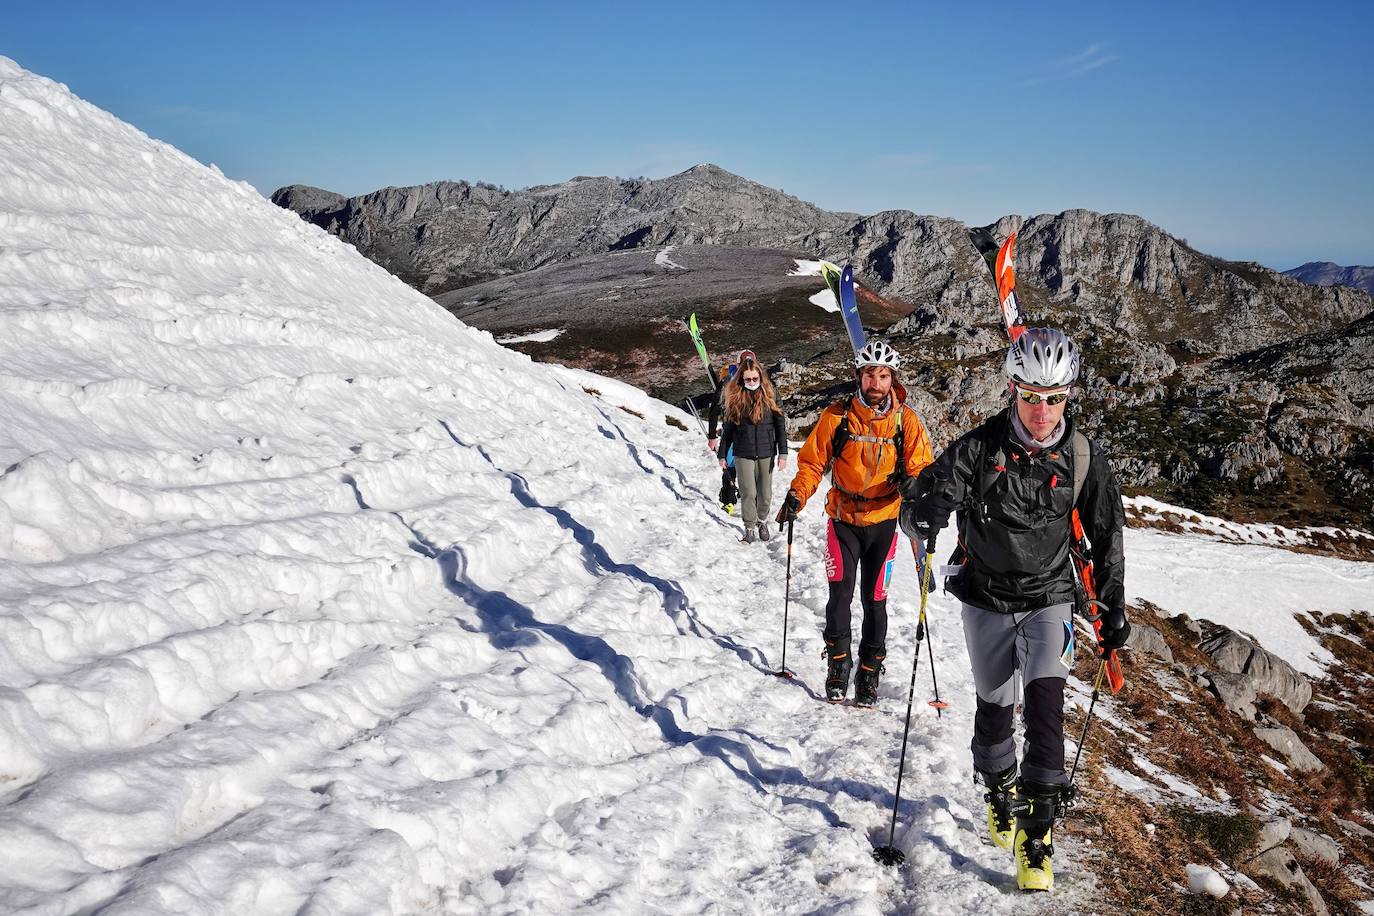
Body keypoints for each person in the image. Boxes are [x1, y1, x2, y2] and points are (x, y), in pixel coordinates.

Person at [901, 327, 1129, 892]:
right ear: (1012, 389)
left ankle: (1037, 837)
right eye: (1032, 395)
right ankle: (999, 789)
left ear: (1068, 397)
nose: (1043, 410)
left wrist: (1112, 611)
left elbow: (1107, 536)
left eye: (1054, 398)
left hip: (1050, 596)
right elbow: (927, 493)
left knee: (1047, 713)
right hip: (985, 595)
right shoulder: (980, 448)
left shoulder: (1081, 458)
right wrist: (922, 517)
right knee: (995, 711)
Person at [776, 340, 934, 707]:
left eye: (883, 375)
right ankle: (838, 664)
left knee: (875, 600)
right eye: (869, 375)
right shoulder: (838, 416)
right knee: (839, 596)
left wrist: (917, 485)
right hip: (842, 519)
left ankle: (869, 671)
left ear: (892, 379)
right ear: (859, 378)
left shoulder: (904, 420)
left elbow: (922, 467)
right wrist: (798, 495)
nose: (875, 382)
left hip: (883, 521)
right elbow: (813, 463)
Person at [716, 356, 788, 542]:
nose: (751, 382)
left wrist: (783, 452)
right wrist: (722, 453)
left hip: (766, 452)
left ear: (760, 377)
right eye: (747, 379)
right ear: (741, 379)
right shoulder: (736, 399)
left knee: (765, 493)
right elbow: (728, 430)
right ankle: (749, 528)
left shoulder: (769, 397)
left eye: (755, 379)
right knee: (748, 492)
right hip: (743, 452)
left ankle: (762, 521)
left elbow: (780, 425)